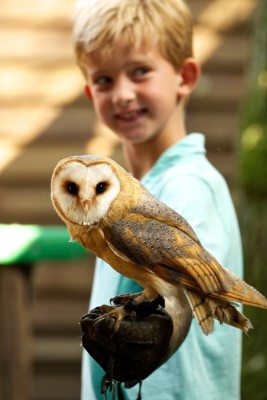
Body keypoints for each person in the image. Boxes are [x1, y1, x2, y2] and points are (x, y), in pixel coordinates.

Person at [72, 0, 243, 399]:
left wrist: (162, 330)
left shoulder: (189, 186)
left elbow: (187, 290)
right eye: (104, 79)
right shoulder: (112, 195)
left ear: (185, 76)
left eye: (140, 71)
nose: (123, 94)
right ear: (88, 91)